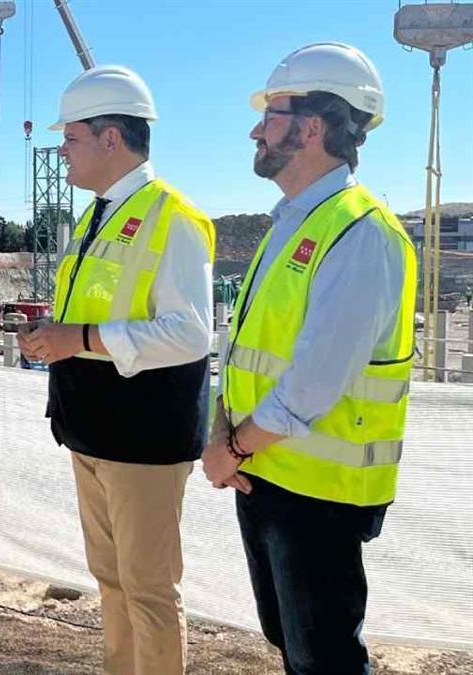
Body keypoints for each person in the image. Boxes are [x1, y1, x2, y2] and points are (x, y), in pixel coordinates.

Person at [202, 43, 417, 674]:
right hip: (267, 471)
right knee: (291, 644)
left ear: (314, 127)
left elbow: (315, 382)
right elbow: (248, 349)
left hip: (317, 493)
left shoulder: (362, 232)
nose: (255, 129)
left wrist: (231, 448)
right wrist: (224, 427)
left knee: (324, 659)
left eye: (270, 116)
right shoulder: (292, 223)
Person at [18, 65, 215, 675]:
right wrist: (56, 339)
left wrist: (77, 337)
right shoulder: (96, 216)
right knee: (111, 581)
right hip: (92, 427)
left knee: (149, 590)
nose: (62, 152)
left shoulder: (172, 217)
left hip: (144, 437)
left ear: (112, 139)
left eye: (71, 138)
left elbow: (190, 333)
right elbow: (97, 316)